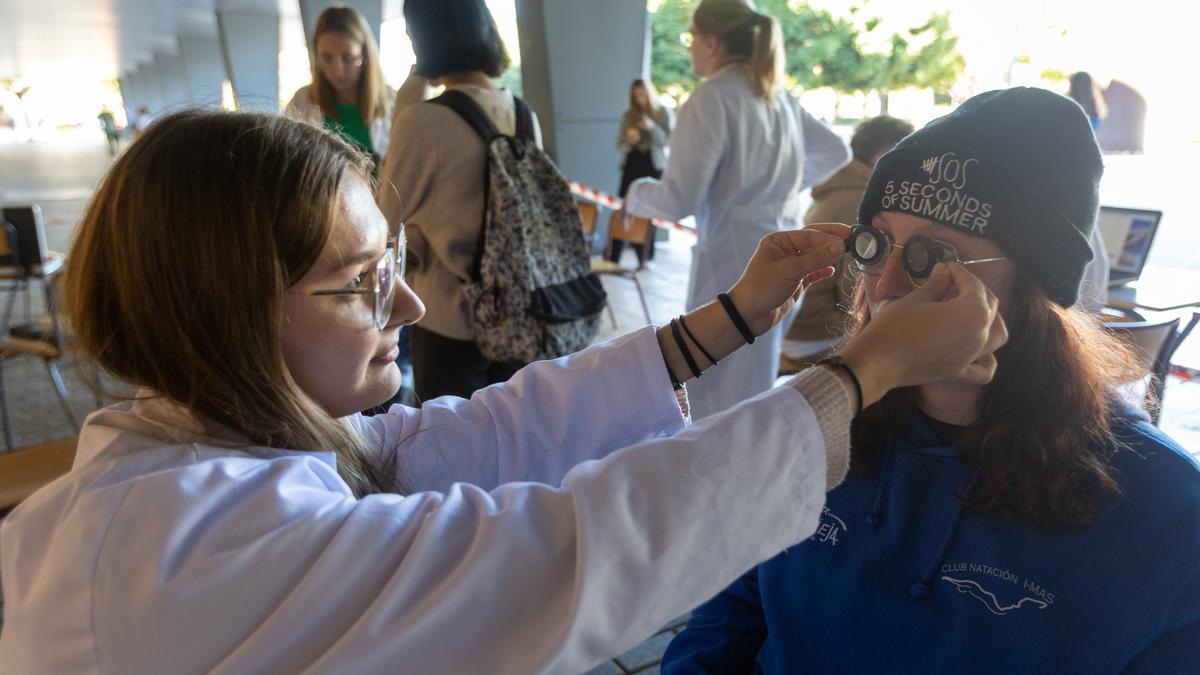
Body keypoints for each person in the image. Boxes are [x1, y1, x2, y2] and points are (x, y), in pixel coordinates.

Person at [0, 108, 1007, 673]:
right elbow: (572, 552)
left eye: (388, 259)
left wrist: (736, 317)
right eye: (357, 281)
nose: (401, 302)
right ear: (228, 310)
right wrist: (865, 372)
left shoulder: (221, 449)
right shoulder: (184, 552)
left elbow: (473, 437)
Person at [661, 88, 1200, 674]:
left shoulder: (1164, 516)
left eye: (932, 255)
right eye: (877, 243)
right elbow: (730, 609)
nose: (887, 285)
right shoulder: (809, 426)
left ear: (1035, 284)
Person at [623, 0, 851, 419]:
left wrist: (635, 193)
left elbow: (679, 199)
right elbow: (836, 149)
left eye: (691, 38)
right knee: (753, 385)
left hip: (734, 265)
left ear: (711, 42)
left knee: (716, 398)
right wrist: (774, 189)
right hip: (784, 250)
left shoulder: (711, 98)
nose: (689, 48)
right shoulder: (778, 95)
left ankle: (723, 479)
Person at [376, 0, 547, 401]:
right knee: (513, 428)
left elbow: (383, 218)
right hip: (520, 313)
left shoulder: (423, 121)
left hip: (450, 319)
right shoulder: (523, 113)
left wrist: (405, 104)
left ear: (425, 39)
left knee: (448, 442)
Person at [783, 115, 914, 367]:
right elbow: (852, 292)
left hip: (794, 324)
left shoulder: (841, 186)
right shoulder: (861, 200)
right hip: (813, 333)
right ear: (882, 156)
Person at [285, 5, 392, 167]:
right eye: (327, 58)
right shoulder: (302, 100)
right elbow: (286, 156)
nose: (338, 70)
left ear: (365, 55)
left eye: (347, 58)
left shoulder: (392, 101)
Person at [609, 78, 674, 270]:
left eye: (643, 94)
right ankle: (614, 254)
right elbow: (619, 145)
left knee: (648, 212)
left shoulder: (662, 113)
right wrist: (630, 141)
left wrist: (651, 127)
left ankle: (645, 256)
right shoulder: (628, 116)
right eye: (636, 95)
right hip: (633, 163)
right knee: (624, 207)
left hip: (652, 165)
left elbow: (666, 142)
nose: (640, 99)